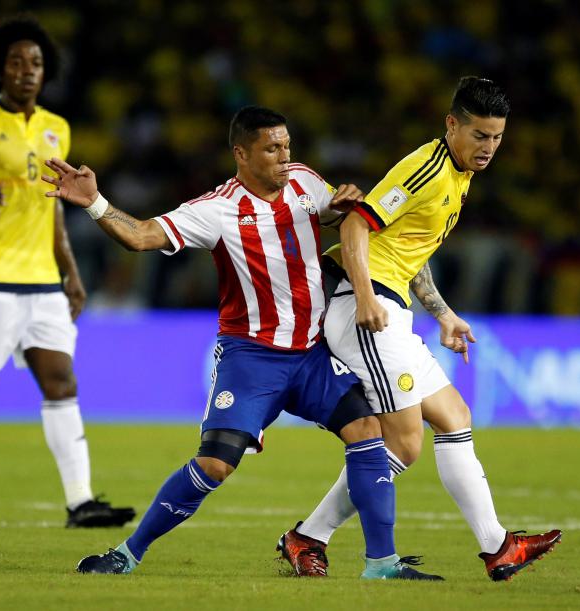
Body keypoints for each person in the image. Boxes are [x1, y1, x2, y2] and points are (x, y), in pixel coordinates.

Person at [48, 106, 442, 581]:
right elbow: (142, 236)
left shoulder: (303, 182)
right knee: (215, 464)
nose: (284, 157)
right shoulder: (217, 210)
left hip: (312, 355)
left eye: (287, 146)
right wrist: (94, 203)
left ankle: (382, 563)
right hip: (251, 358)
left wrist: (344, 206)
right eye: (272, 149)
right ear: (241, 154)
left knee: (368, 434)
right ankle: (127, 554)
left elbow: (341, 219)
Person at [276, 77, 562, 582]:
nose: (488, 148)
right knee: (403, 444)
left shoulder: (459, 174)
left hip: (392, 306)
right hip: (366, 310)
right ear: (452, 124)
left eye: (497, 138)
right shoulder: (428, 169)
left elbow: (408, 249)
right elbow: (356, 225)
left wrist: (444, 313)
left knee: (453, 416)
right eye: (479, 135)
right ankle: (310, 537)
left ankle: (499, 548)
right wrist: (366, 297)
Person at [0, 15, 135, 528]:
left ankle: (80, 502)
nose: (27, 70)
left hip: (43, 283)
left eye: (35, 63)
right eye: (15, 62)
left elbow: (54, 205)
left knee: (61, 381)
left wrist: (70, 273)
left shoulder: (57, 127)